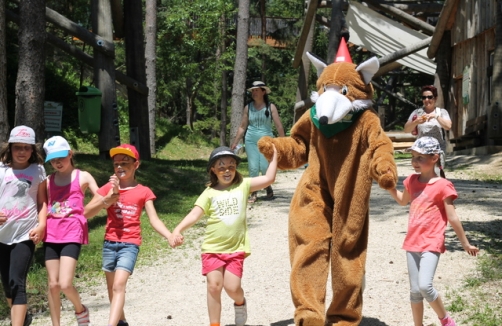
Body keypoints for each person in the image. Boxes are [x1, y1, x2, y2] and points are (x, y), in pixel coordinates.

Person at [169, 145, 278, 326]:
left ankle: (240, 303)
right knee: (214, 287)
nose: (226, 170)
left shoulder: (243, 185)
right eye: (221, 167)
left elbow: (269, 178)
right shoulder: (209, 193)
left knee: (233, 288)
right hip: (212, 248)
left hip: (235, 249)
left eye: (231, 166)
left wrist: (274, 158)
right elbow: (194, 214)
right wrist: (177, 230)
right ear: (213, 169)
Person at [386, 136, 479, 326]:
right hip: (412, 243)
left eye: (421, 158)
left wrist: (465, 243)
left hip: (431, 242)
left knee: (425, 286)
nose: (415, 162)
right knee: (414, 291)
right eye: (413, 157)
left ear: (435, 158)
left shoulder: (443, 186)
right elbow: (403, 201)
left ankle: (445, 320)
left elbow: (452, 217)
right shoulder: (411, 180)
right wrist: (388, 187)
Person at [83, 144, 174, 326]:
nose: (120, 167)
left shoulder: (144, 191)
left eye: (125, 163)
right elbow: (85, 213)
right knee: (111, 288)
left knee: (118, 286)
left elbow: (154, 220)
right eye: (116, 164)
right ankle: (121, 321)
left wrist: (169, 235)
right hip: (109, 242)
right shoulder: (108, 188)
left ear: (136, 165)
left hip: (130, 244)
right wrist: (106, 200)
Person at [42, 136, 100, 326]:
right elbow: (41, 205)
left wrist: (84, 212)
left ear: (70, 153)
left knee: (65, 284)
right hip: (51, 234)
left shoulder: (82, 176)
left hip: (72, 233)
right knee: (53, 285)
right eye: (53, 160)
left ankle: (80, 310)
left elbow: (99, 197)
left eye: (61, 157)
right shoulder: (48, 180)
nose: (57, 163)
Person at [0, 125, 47, 326]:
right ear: (9, 148)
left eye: (26, 148)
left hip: (25, 235)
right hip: (2, 235)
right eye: (17, 147)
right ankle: (23, 317)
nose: (22, 152)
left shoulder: (38, 170)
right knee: (7, 286)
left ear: (33, 150)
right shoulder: (1, 170)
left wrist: (42, 224)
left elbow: (42, 201)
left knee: (16, 282)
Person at [230, 81, 284, 203]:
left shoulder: (271, 107)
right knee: (253, 167)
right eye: (252, 91)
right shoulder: (248, 107)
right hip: (251, 140)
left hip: (267, 141)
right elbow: (242, 127)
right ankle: (254, 192)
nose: (254, 93)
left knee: (265, 167)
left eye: (256, 90)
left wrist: (283, 142)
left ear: (263, 92)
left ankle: (267, 185)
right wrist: (235, 142)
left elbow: (279, 126)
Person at [404, 85, 452, 176]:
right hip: (421, 150)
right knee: (424, 173)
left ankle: (439, 188)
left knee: (437, 172)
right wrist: (416, 122)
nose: (427, 100)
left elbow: (448, 126)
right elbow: (406, 129)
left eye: (430, 97)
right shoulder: (417, 112)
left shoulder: (441, 112)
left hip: (437, 150)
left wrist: (436, 117)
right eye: (424, 97)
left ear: (435, 98)